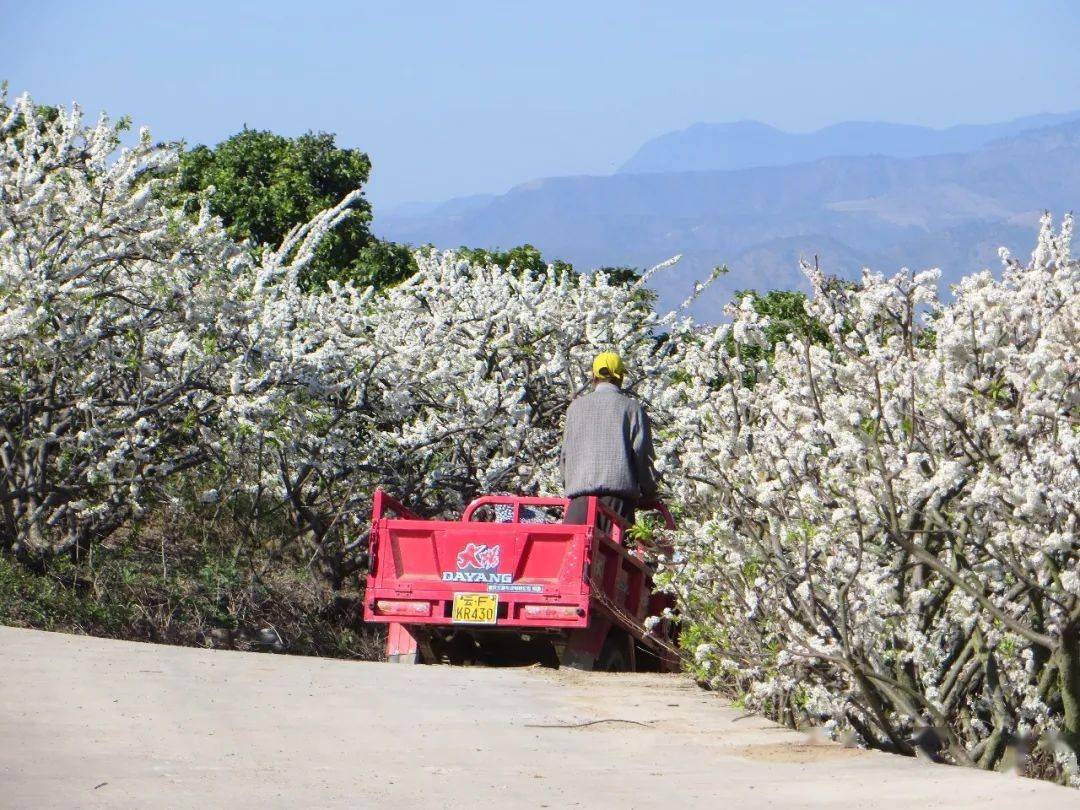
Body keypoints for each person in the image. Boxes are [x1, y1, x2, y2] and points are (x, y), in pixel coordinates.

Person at [561, 351, 657, 530]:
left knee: (573, 556)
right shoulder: (632, 409)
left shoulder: (574, 409)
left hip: (578, 505)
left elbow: (564, 457)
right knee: (612, 556)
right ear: (621, 376)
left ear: (593, 376)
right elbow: (642, 458)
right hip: (617, 505)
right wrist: (649, 493)